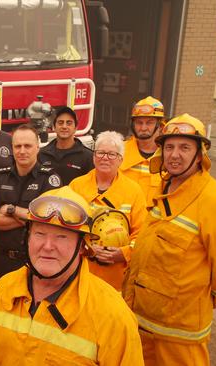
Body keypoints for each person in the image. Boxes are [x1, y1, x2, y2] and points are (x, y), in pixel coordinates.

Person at [0, 187, 144, 365]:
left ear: (83, 247)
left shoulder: (113, 315)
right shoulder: (3, 290)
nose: (47, 246)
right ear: (27, 238)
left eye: (62, 237)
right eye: (40, 233)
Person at [124, 114, 216, 366]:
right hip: (144, 317)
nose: (175, 155)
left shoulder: (213, 200)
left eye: (185, 147)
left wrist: (213, 295)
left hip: (179, 331)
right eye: (169, 147)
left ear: (200, 155)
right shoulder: (165, 186)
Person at [69, 131, 147, 291]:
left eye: (112, 154)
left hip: (116, 279)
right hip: (80, 273)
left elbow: (142, 234)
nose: (105, 157)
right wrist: (86, 248)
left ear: (121, 160)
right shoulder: (76, 186)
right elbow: (66, 228)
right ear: (93, 156)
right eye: (101, 153)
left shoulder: (133, 191)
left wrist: (123, 253)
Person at [0, 125, 61, 289]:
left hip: (35, 262)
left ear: (37, 147)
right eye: (17, 146)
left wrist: (12, 210)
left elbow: (49, 221)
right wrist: (30, 218)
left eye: (27, 146)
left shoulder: (49, 179)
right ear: (12, 149)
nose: (22, 151)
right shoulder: (0, 177)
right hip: (1, 261)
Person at [119, 96, 165, 205]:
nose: (143, 128)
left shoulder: (169, 157)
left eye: (149, 123)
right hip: (122, 219)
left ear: (160, 125)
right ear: (133, 125)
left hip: (153, 220)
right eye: (139, 122)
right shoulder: (119, 150)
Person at [38, 106, 93, 185]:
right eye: (60, 123)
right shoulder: (41, 154)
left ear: (75, 128)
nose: (64, 126)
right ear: (54, 127)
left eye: (69, 123)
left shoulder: (88, 157)